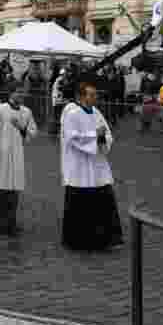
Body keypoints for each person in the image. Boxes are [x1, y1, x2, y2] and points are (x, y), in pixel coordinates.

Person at [60, 76, 123, 251]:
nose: (95, 97)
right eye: (92, 94)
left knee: (103, 198)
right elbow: (72, 137)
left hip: (97, 165)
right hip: (79, 166)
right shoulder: (72, 114)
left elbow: (107, 134)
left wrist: (102, 137)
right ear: (82, 97)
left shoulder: (96, 112)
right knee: (81, 203)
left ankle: (104, 239)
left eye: (95, 94)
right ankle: (79, 241)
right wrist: (95, 134)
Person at [0, 88, 38, 236]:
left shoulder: (26, 112)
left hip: (17, 156)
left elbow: (32, 132)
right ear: (10, 93)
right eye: (16, 92)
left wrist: (22, 127)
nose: (19, 95)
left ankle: (10, 222)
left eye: (21, 92)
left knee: (13, 189)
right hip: (0, 155)